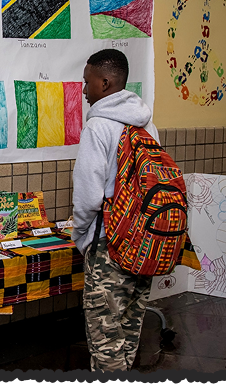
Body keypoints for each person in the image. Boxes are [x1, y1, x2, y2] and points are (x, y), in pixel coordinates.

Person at [71, 48, 159, 372]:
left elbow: (88, 197)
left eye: (87, 82)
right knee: (128, 332)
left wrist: (82, 237)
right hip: (146, 243)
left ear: (105, 83)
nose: (83, 91)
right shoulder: (148, 125)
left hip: (111, 247)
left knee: (105, 341)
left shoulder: (98, 128)